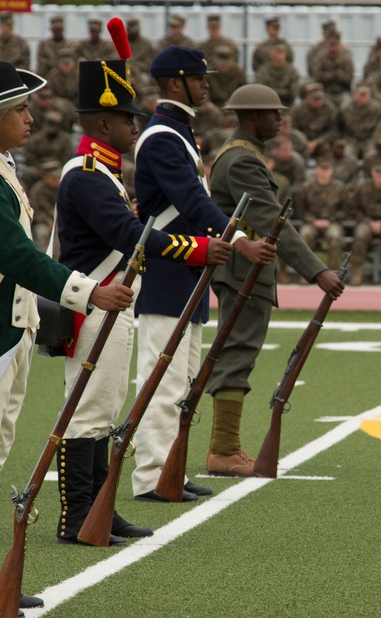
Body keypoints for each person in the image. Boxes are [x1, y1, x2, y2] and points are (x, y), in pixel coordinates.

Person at [0, 61, 133, 618]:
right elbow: (13, 255)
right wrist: (88, 292)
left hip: (7, 329)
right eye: (20, 109)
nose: (30, 116)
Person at [54, 56, 232, 545]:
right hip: (94, 303)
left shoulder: (103, 173)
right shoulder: (88, 174)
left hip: (109, 302)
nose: (137, 126)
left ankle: (97, 512)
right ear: (101, 123)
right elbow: (131, 234)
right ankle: (77, 517)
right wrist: (196, 246)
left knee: (103, 409)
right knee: (89, 411)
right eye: (128, 119)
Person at [131, 48, 275, 499]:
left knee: (184, 379)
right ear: (177, 84)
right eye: (199, 77)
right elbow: (193, 204)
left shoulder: (178, 133)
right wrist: (237, 242)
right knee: (163, 378)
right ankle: (151, 475)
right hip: (168, 271)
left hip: (188, 272)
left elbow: (194, 204)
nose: (207, 83)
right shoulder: (162, 138)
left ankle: (170, 466)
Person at [206, 83, 344, 476]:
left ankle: (225, 447)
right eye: (273, 113)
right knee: (237, 352)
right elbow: (271, 223)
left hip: (246, 269)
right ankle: (223, 449)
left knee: (237, 350)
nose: (281, 118)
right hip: (242, 272)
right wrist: (319, 271)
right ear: (251, 116)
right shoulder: (242, 161)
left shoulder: (244, 155)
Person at [295, 153, 348, 273]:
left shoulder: (339, 188)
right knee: (305, 235)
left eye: (328, 169)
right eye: (322, 169)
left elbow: (344, 210)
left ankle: (334, 272)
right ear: (316, 170)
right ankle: (306, 271)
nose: (325, 172)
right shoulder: (306, 187)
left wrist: (330, 220)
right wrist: (313, 221)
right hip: (311, 222)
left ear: (332, 170)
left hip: (332, 222)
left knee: (334, 236)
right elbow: (301, 210)